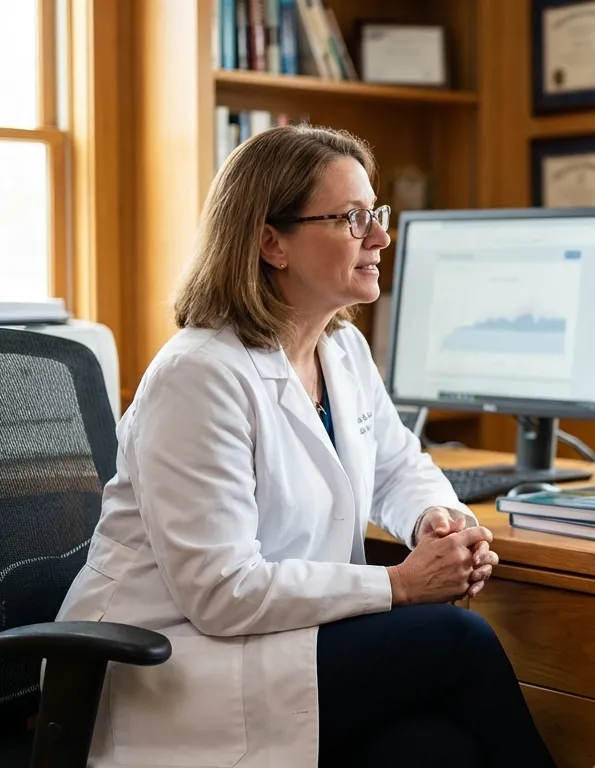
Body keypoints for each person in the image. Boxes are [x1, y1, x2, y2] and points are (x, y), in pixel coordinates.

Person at [55, 124, 556, 768]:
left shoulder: (340, 348)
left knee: (436, 750)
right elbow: (222, 591)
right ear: (271, 243)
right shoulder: (199, 375)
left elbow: (399, 466)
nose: (380, 237)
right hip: (161, 665)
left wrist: (436, 520)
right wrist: (399, 584)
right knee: (457, 641)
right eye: (352, 219)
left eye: (375, 213)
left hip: (276, 646)